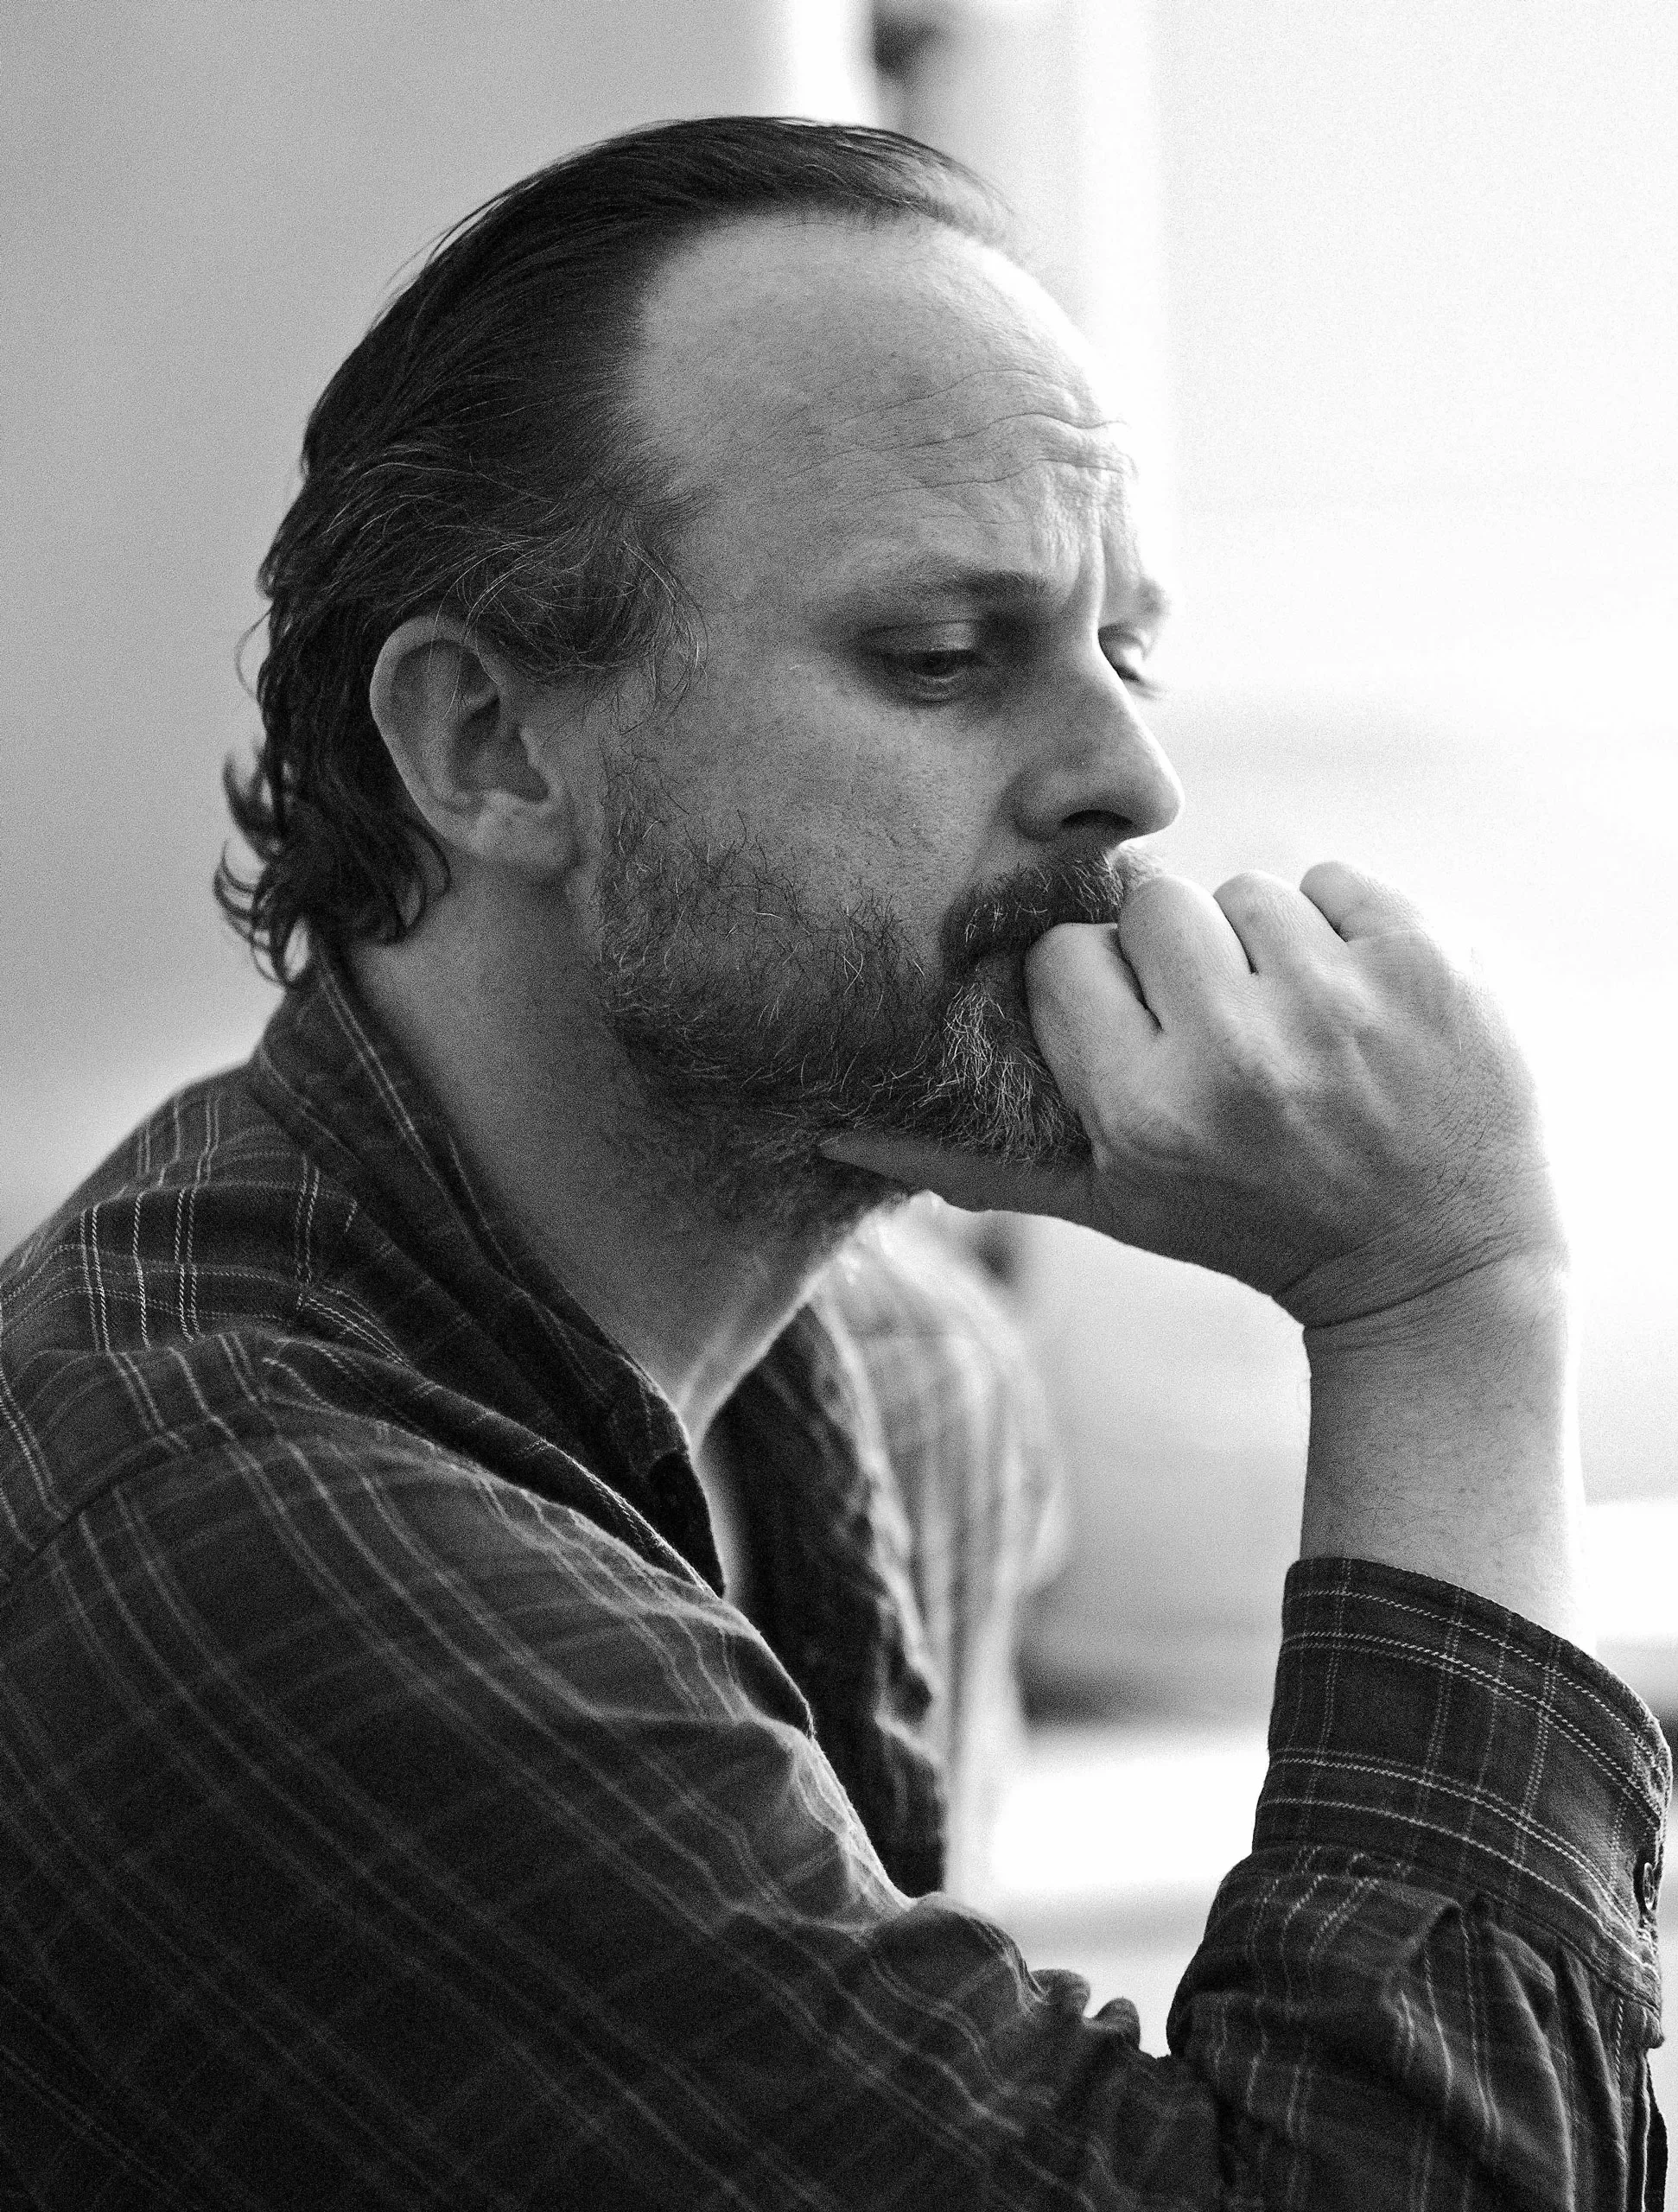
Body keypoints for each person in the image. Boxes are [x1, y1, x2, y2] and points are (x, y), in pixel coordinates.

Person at [0, 114, 1666, 2209]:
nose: (1130, 776)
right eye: (941, 657)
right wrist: (1446, 1297)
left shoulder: (909, 1375)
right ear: (487, 745)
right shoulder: (244, 1523)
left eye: (1122, 648)